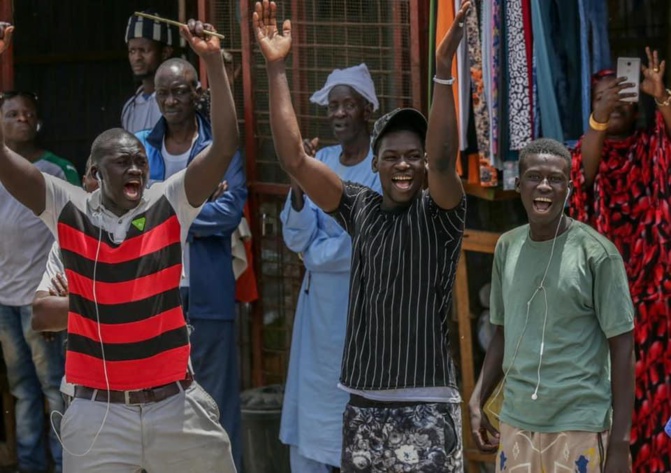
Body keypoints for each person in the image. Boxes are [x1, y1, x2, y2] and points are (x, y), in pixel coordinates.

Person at [0, 20, 240, 472]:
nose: (136, 168)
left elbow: (225, 145)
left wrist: (211, 62)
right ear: (94, 169)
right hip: (97, 416)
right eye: (122, 161)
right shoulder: (65, 205)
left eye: (140, 161)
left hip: (177, 407)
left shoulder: (169, 201)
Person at [254, 1, 469, 470]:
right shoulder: (361, 207)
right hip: (365, 405)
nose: (405, 165)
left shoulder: (441, 217)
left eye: (413, 155)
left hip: (425, 401)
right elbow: (293, 159)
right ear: (375, 164)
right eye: (392, 156)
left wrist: (442, 71)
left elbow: (442, 160)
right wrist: (275, 69)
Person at [469, 138, 635, 472]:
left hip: (578, 426)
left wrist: (619, 443)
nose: (544, 186)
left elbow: (623, 346)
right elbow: (502, 332)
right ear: (518, 184)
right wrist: (477, 399)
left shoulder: (597, 254)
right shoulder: (507, 247)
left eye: (556, 179)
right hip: (517, 423)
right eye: (534, 177)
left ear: (569, 189)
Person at [135, 52, 247, 472]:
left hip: (208, 292)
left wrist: (162, 205)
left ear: (197, 93)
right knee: (158, 399)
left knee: (214, 400)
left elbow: (230, 213)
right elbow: (132, 212)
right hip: (154, 292)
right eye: (162, 93)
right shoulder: (142, 146)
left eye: (179, 91)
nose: (170, 101)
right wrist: (192, 204)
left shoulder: (219, 146)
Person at [569, 48, 671, 472]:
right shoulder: (586, 150)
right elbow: (581, 177)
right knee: (608, 413)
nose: (614, 104)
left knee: (655, 407)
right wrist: (599, 118)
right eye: (603, 97)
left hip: (656, 307)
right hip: (604, 313)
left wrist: (660, 97)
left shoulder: (652, 147)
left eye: (621, 95)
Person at [279, 64, 381, 472]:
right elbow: (295, 239)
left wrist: (316, 256)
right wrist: (299, 179)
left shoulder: (381, 164)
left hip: (362, 310)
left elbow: (367, 245)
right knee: (316, 414)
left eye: (348, 105)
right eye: (333, 106)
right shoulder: (318, 160)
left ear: (367, 110)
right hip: (318, 314)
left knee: (359, 412)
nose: (339, 113)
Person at [0, 90, 70, 473]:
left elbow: (69, 239)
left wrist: (54, 303)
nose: (22, 118)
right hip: (4, 303)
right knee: (22, 391)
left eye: (28, 113)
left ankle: (63, 465)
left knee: (53, 389)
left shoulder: (53, 173)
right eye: (12, 113)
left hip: (37, 303)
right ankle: (30, 465)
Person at [32, 158, 100, 334]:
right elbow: (41, 316)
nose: (102, 182)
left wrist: (75, 296)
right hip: (86, 353)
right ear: (84, 183)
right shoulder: (68, 238)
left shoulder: (146, 232)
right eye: (96, 173)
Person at [1, 90, 79, 184]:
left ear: (38, 123)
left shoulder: (59, 169)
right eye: (13, 114)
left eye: (30, 114)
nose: (23, 118)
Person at [121, 10, 177, 133]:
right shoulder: (129, 108)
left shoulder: (180, 99)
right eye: (132, 51)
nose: (137, 57)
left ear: (165, 53)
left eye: (144, 50)